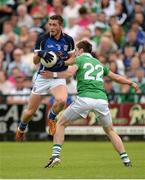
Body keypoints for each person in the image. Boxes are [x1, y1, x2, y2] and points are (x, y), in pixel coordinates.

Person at [41, 40, 139, 168]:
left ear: (81, 51)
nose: (75, 52)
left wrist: (52, 74)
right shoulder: (98, 63)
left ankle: (55, 156)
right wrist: (130, 83)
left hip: (85, 99)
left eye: (76, 50)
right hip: (101, 100)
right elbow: (115, 77)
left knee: (61, 123)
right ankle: (126, 161)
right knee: (110, 130)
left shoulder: (80, 59)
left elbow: (70, 73)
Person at [16, 15, 75, 140]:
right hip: (43, 77)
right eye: (50, 24)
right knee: (30, 111)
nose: (51, 27)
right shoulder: (42, 39)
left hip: (58, 77)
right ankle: (21, 127)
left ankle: (52, 118)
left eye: (54, 25)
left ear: (60, 26)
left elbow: (73, 58)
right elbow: (35, 61)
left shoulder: (68, 40)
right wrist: (40, 53)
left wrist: (63, 63)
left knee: (62, 101)